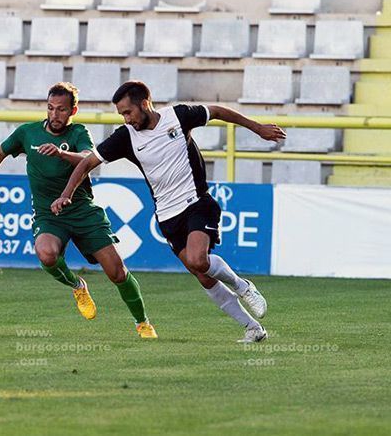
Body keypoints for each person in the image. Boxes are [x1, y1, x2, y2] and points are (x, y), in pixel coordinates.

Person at [51, 81, 287, 343]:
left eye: (128, 112)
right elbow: (87, 162)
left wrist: (258, 128)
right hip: (167, 215)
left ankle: (243, 286)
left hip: (197, 202)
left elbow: (218, 111)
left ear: (144, 104)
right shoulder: (126, 136)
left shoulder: (178, 116)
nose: (126, 119)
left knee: (199, 260)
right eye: (121, 114)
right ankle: (253, 328)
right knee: (202, 276)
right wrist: (66, 194)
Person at [0, 82, 158, 339]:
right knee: (46, 253)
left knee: (116, 271)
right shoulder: (28, 133)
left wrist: (60, 154)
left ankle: (142, 322)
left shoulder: (78, 133)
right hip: (49, 214)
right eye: (51, 108)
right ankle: (77, 285)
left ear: (73, 111)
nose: (55, 114)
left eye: (61, 110)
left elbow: (90, 159)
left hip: (82, 210)